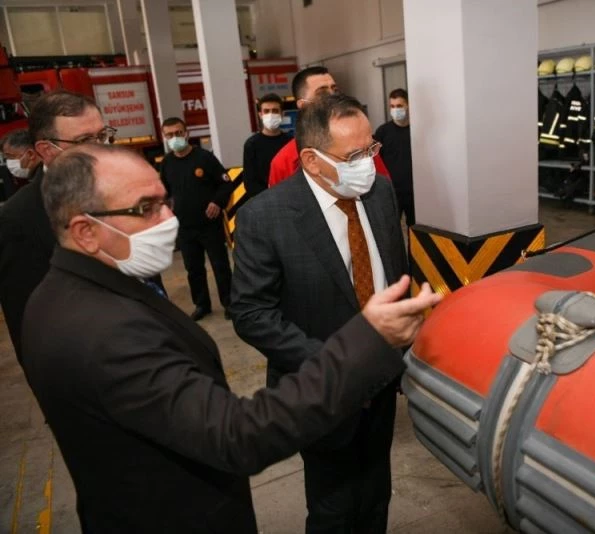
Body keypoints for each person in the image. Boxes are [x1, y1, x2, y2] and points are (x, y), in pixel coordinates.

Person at [22, 143, 441, 533]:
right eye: (145, 208)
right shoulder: (105, 331)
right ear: (85, 231)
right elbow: (236, 435)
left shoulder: (67, 291)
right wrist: (367, 341)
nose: (169, 220)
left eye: (166, 202)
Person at [230, 94, 406, 533]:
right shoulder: (264, 217)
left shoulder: (380, 193)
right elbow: (251, 312)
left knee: (375, 494)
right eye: (354, 156)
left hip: (382, 376)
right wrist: (335, 365)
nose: (368, 164)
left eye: (371, 149)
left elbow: (391, 273)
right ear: (311, 160)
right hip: (319, 385)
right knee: (333, 507)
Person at [0, 90, 114, 362]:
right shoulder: (18, 219)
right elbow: (29, 323)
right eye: (84, 140)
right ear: (46, 150)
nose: (99, 148)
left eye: (102, 136)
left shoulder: (121, 188)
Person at [268, 66, 391, 188]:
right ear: (303, 105)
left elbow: (383, 188)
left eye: (335, 90)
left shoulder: (363, 147)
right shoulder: (284, 162)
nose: (333, 97)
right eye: (322, 93)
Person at [160, 117, 234, 320]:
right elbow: (164, 192)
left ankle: (229, 303)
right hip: (184, 227)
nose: (175, 138)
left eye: (178, 133)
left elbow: (226, 184)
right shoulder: (167, 163)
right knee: (193, 269)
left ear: (186, 133)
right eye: (169, 135)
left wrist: (217, 202)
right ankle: (202, 305)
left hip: (210, 225)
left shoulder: (204, 158)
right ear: (164, 137)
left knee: (220, 266)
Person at [374, 88, 414, 226]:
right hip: (391, 191)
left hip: (414, 191)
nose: (395, 109)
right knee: (391, 227)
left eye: (399, 106)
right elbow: (376, 161)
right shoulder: (383, 132)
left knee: (415, 230)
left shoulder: (416, 129)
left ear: (408, 105)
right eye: (392, 106)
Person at [242, 93, 292, 199]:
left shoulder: (291, 142)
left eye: (275, 111)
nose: (271, 115)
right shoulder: (251, 145)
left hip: (290, 196)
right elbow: (250, 182)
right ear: (260, 114)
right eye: (266, 111)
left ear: (282, 114)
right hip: (264, 200)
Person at [2, 128, 41, 196]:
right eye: (6, 158)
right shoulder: (35, 178)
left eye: (11, 157)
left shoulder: (45, 181)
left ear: (30, 154)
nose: (9, 163)